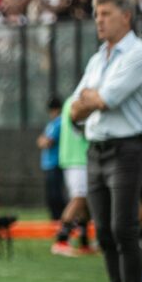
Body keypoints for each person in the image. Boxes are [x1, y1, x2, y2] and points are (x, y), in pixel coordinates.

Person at [70, 0, 142, 282]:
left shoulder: (140, 53)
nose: (99, 21)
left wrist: (92, 99)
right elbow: (75, 107)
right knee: (104, 230)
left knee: (124, 227)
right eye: (96, 15)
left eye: (105, 13)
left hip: (127, 149)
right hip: (97, 149)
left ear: (126, 16)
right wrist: (90, 100)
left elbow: (105, 99)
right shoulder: (98, 58)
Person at [52, 97, 93, 257]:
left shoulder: (70, 101)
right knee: (79, 198)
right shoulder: (82, 101)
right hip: (78, 159)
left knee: (83, 202)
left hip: (73, 158)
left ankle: (84, 242)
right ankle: (61, 240)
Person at [37, 97, 67, 222]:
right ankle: (55, 219)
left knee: (56, 195)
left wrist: (44, 141)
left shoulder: (59, 122)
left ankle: (60, 219)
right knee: (51, 196)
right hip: (48, 164)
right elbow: (40, 141)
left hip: (56, 163)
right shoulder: (52, 123)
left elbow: (47, 142)